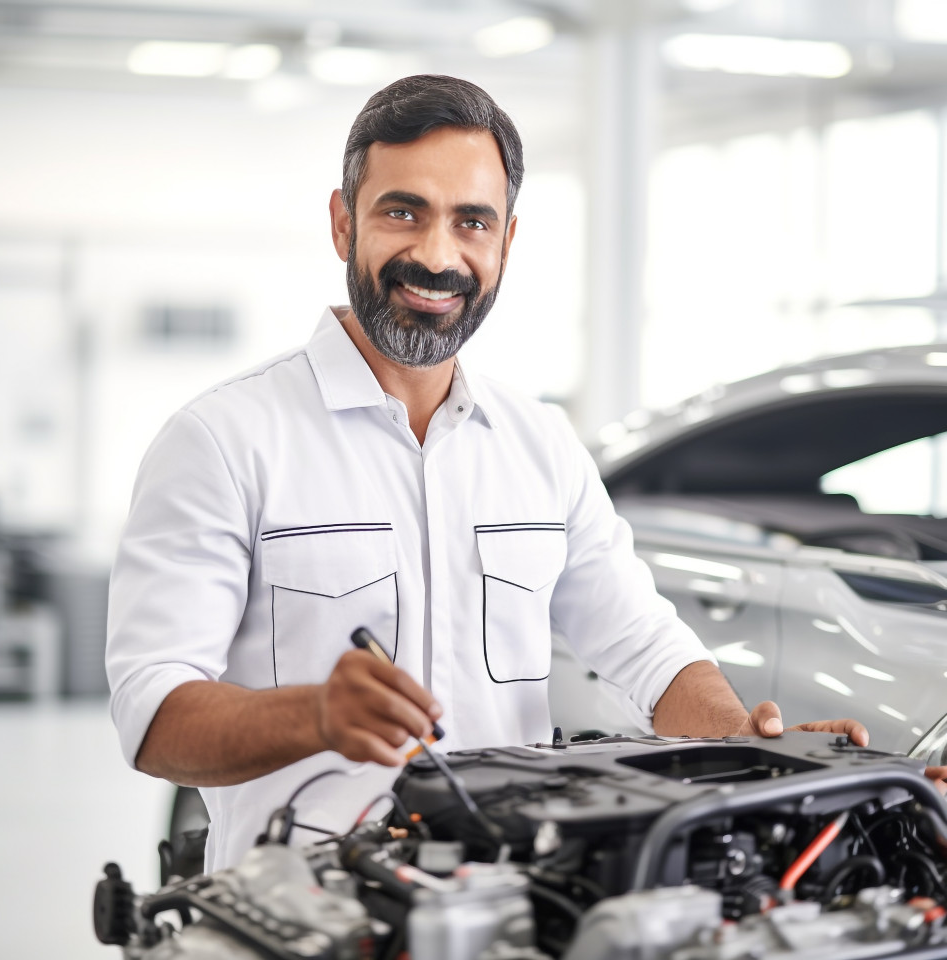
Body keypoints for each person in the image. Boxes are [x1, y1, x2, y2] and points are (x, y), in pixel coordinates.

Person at [106, 75, 870, 873]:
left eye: (471, 222)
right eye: (402, 212)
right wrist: (317, 715)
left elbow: (642, 641)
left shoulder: (540, 443)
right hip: (301, 906)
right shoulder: (223, 440)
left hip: (507, 904)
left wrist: (744, 739)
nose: (438, 256)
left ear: (506, 242)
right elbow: (153, 713)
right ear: (342, 223)